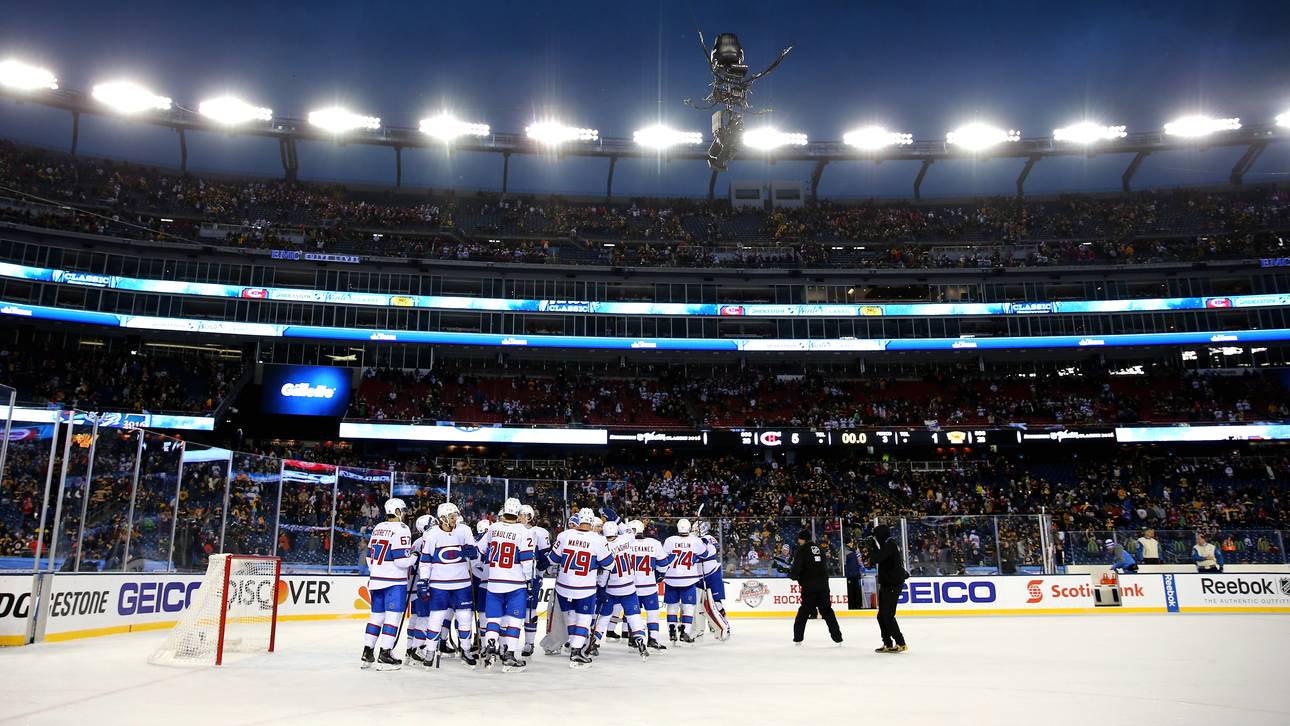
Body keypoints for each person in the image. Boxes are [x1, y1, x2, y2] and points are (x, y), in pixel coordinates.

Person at [476, 497, 537, 671]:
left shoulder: (493, 528)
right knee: (514, 620)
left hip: (494, 582)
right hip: (515, 583)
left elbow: (479, 551)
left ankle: (490, 647)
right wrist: (529, 581)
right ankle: (509, 655)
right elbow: (526, 561)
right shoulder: (524, 531)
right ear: (518, 513)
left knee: (493, 619)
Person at [418, 503, 479, 668]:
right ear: (443, 518)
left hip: (462, 583)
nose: (455, 519)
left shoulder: (464, 530)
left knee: (465, 618)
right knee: (436, 618)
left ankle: (465, 650)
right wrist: (423, 580)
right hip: (439, 584)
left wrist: (473, 553)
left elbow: (475, 557)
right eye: (452, 516)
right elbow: (425, 561)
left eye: (455, 516)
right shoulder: (431, 535)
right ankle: (430, 651)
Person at [549, 509, 612, 668]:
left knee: (570, 616)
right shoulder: (598, 539)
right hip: (585, 587)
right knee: (583, 618)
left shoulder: (564, 535)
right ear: (591, 521)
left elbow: (553, 558)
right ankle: (576, 651)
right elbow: (609, 564)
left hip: (563, 586)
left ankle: (572, 642)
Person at [360, 498, 418, 670]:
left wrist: (379, 571)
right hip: (394, 582)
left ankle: (367, 651)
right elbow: (401, 560)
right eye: (403, 510)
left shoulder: (378, 527)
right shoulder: (402, 529)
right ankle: (385, 654)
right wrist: (414, 556)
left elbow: (369, 557)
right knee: (392, 618)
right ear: (398, 511)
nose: (405, 514)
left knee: (376, 617)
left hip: (376, 579)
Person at [593, 521, 649, 657]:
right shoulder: (625, 539)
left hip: (612, 588)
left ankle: (595, 643)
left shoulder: (603, 546)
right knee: (634, 615)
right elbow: (630, 530)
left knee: (604, 616)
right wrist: (618, 520)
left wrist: (600, 587)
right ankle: (640, 640)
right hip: (629, 585)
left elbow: (605, 571)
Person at [790, 529, 843, 646]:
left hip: (809, 587)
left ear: (803, 538)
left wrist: (793, 575)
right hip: (823, 586)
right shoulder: (819, 549)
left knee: (803, 612)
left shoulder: (802, 550)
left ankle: (798, 638)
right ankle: (838, 638)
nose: (798, 541)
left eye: (799, 539)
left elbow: (796, 569)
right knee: (827, 611)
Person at [660, 518, 706, 644]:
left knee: (672, 607)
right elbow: (705, 554)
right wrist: (702, 543)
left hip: (671, 579)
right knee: (688, 607)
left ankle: (671, 630)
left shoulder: (670, 540)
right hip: (688, 579)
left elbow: (664, 558)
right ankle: (685, 631)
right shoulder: (696, 541)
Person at [628, 519, 669, 650]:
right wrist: (660, 575)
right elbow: (663, 565)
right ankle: (653, 639)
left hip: (630, 586)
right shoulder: (654, 543)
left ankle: (633, 639)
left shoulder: (625, 543)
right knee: (653, 613)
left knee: (633, 614)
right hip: (649, 586)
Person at [867, 524, 907, 654]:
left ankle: (900, 643)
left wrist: (871, 547)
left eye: (876, 535)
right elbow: (879, 557)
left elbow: (877, 558)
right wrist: (872, 547)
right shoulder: (887, 544)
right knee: (881, 616)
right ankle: (888, 643)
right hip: (887, 583)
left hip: (893, 584)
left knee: (887, 615)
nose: (876, 537)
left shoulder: (890, 544)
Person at [518, 504, 552, 657]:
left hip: (531, 577)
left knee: (529, 610)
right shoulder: (513, 530)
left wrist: (538, 572)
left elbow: (546, 557)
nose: (519, 517)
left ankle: (529, 643)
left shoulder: (540, 532)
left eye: (522, 515)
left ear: (530, 516)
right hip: (513, 576)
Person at [844, 542, 864, 609]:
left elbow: (860, 562)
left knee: (855, 590)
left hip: (854, 574)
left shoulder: (855, 551)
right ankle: (854, 605)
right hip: (851, 575)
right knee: (852, 591)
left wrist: (861, 571)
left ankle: (856, 605)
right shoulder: (846, 551)